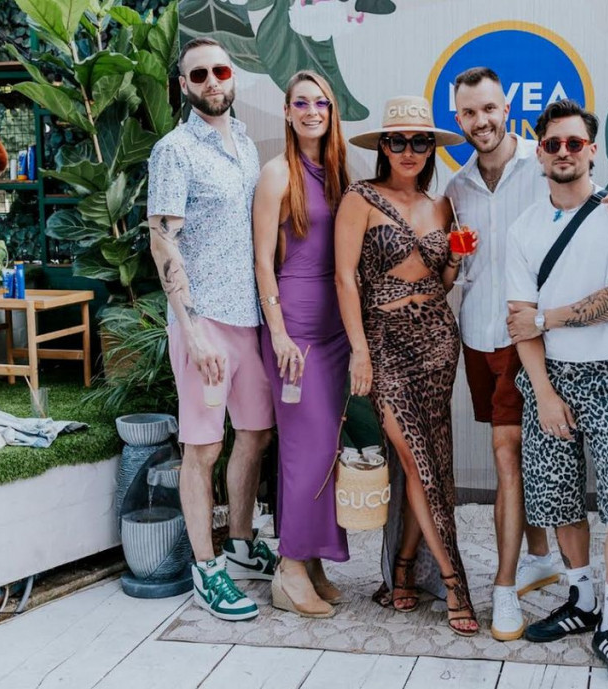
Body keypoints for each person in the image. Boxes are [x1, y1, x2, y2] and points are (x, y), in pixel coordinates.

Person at [444, 67, 608, 641]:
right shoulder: (456, 187)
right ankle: (546, 564)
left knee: (517, 461)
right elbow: (463, 274)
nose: (481, 120)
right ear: (458, 119)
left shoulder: (551, 174)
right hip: (485, 336)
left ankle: (512, 589)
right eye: (469, 112)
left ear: (506, 109)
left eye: (489, 108)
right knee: (533, 470)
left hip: (542, 344)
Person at [504, 98, 608, 685]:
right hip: (549, 377)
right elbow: (519, 321)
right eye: (552, 144)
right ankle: (582, 598)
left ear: (592, 150)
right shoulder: (523, 229)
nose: (563, 152)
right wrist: (543, 392)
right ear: (540, 153)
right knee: (557, 497)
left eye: (574, 143)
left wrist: (549, 316)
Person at [335, 96, 480, 636]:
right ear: (383, 146)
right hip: (386, 344)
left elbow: (442, 282)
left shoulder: (442, 205)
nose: (409, 150)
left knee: (433, 461)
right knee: (418, 461)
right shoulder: (360, 198)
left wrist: (455, 260)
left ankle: (403, 568)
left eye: (420, 141)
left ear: (431, 148)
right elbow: (345, 279)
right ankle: (454, 582)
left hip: (439, 341)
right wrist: (359, 350)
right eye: (398, 141)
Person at [148, 37, 275, 622]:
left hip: (249, 319)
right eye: (198, 74)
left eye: (220, 70)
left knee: (255, 434)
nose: (212, 81)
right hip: (204, 323)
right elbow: (162, 241)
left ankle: (242, 546)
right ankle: (207, 569)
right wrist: (193, 331)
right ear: (184, 85)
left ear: (233, 76)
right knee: (203, 447)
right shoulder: (174, 151)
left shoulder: (245, 143)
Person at [252, 70, 351, 619]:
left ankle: (311, 560)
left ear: (331, 112)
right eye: (302, 103)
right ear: (287, 113)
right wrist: (279, 333)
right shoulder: (276, 174)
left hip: (335, 331)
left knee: (324, 450)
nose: (312, 111)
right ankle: (289, 570)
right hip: (295, 331)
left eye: (321, 103)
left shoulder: (337, 172)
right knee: (304, 451)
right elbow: (262, 261)